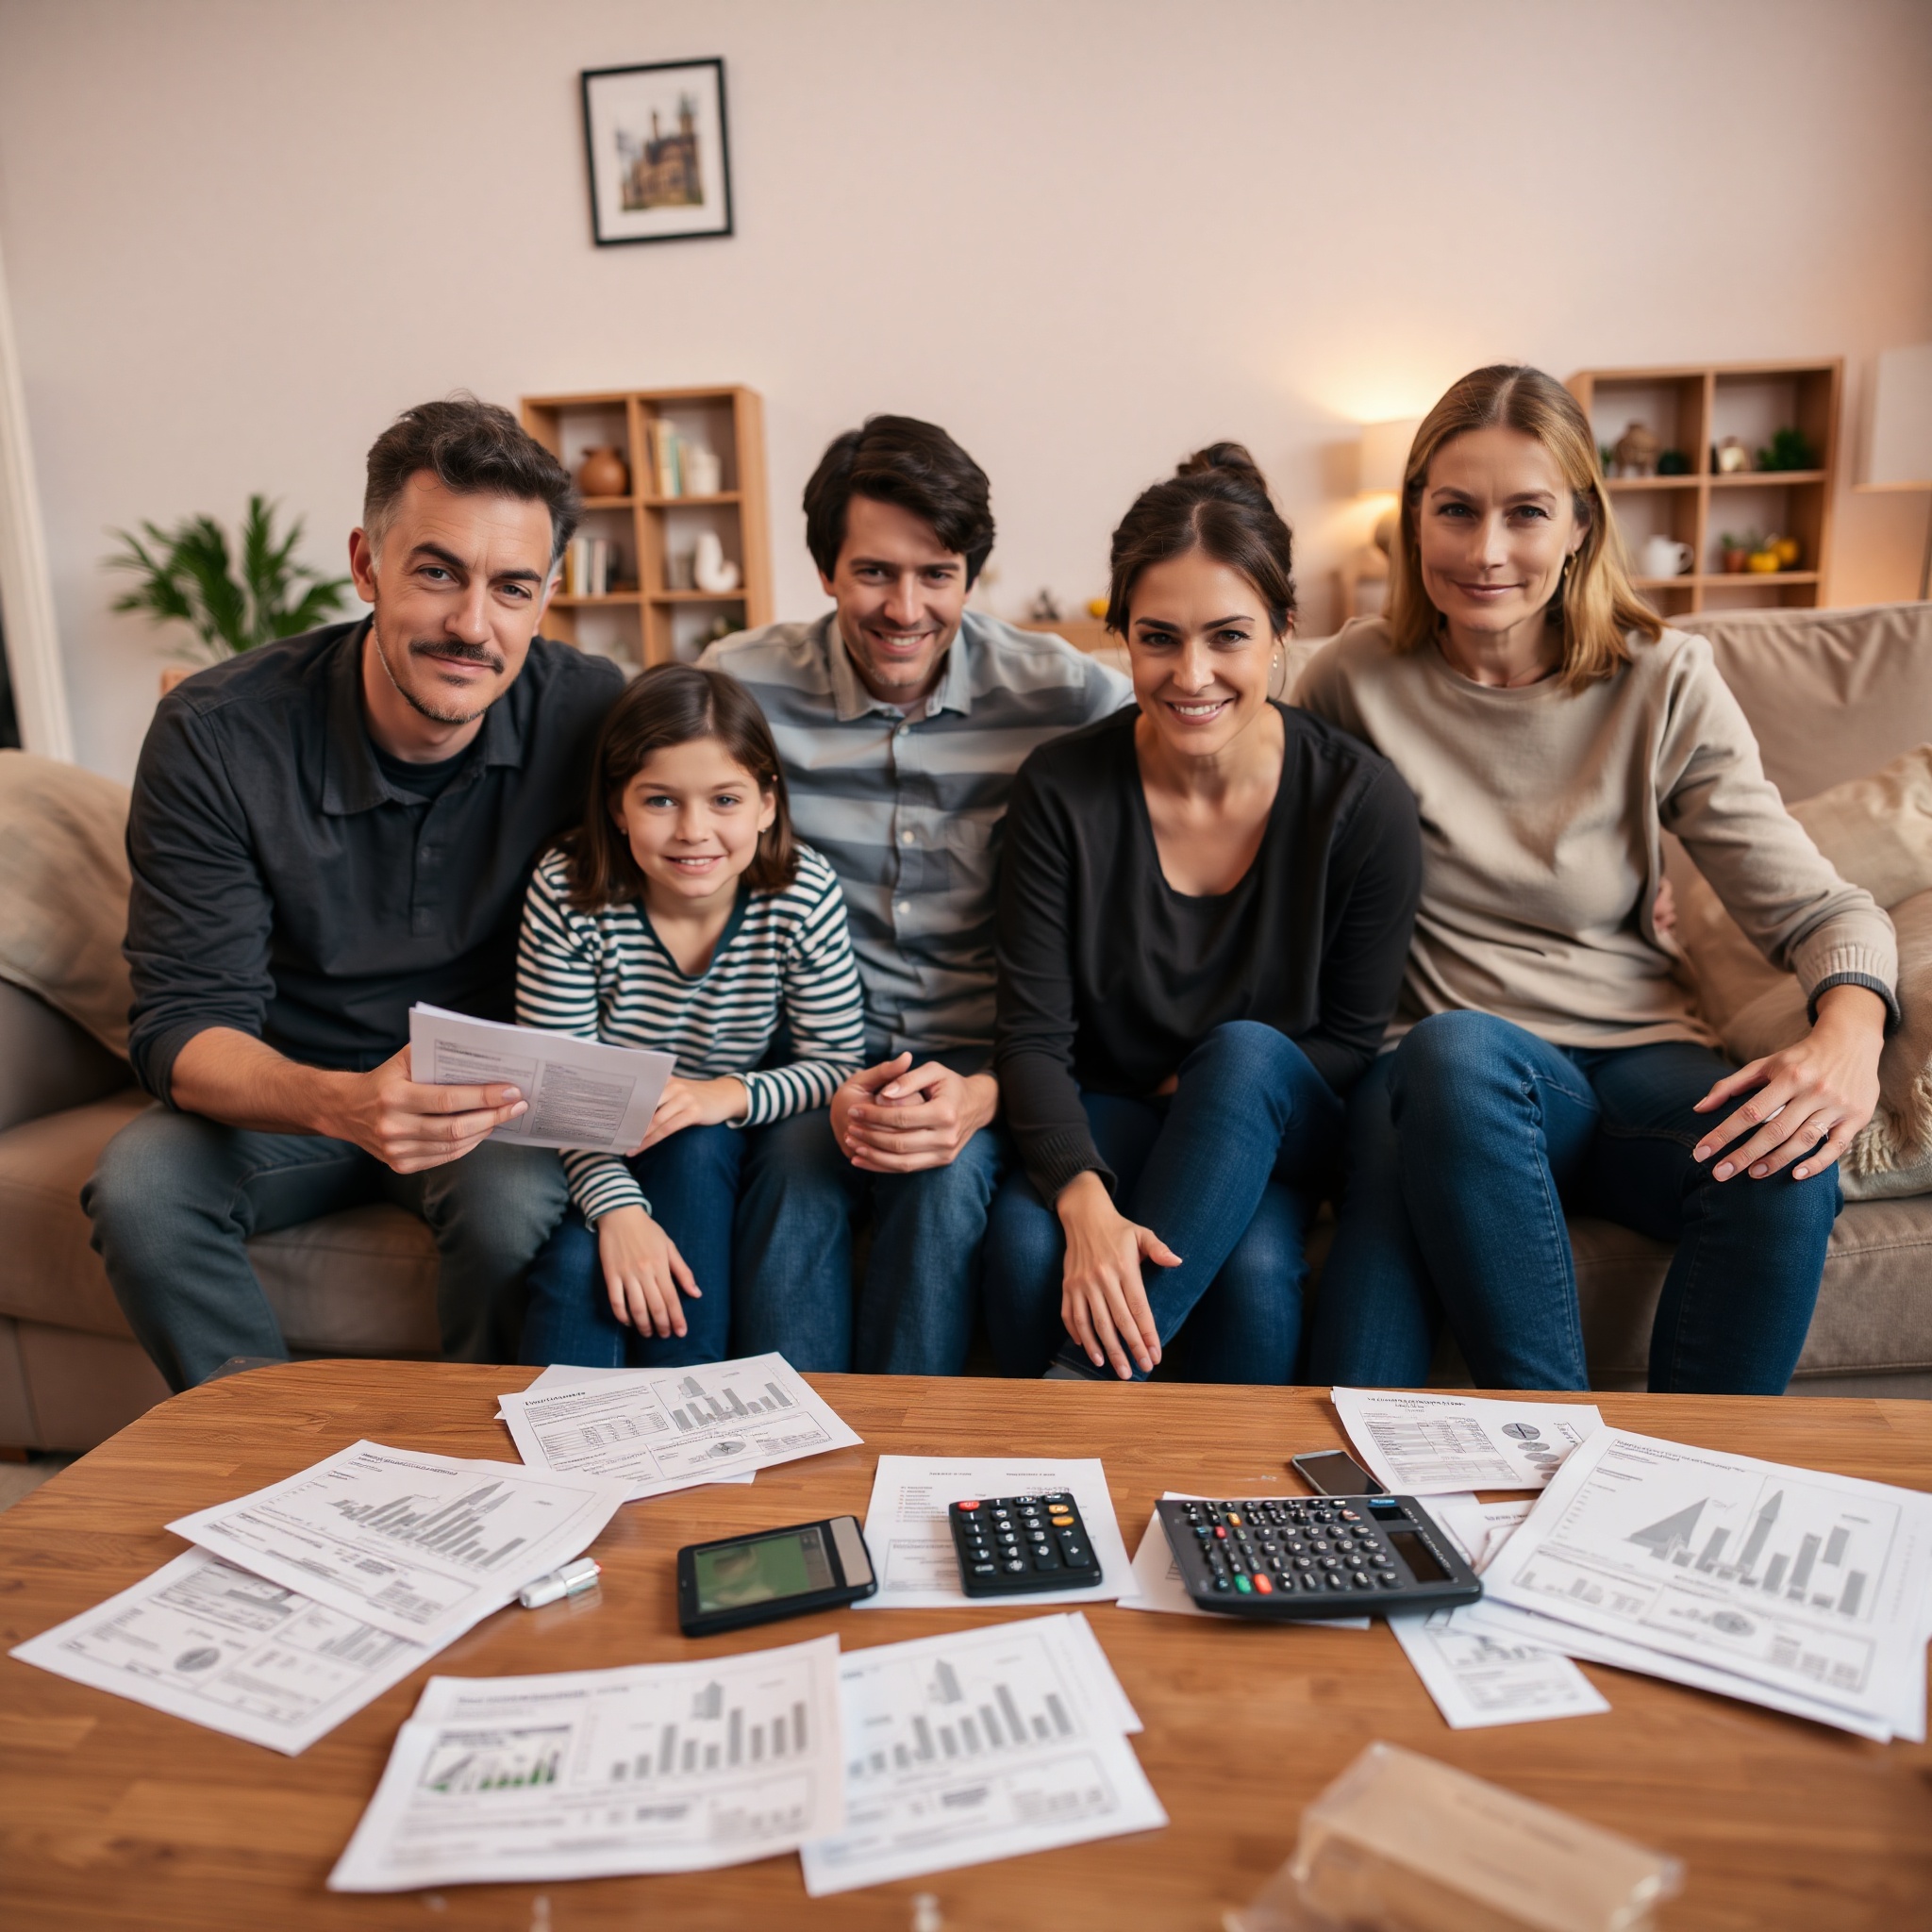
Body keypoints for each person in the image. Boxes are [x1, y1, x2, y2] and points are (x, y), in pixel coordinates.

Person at [1299, 365, 1896, 1396]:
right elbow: (1263, 873)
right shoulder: (1351, 678)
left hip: (1627, 1060)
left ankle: (1699, 1470)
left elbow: (1820, 906)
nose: (1486, 551)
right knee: (1454, 1050)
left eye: (1525, 513)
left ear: (1580, 523)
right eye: (1455, 510)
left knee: (1785, 1163)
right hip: (1439, 1075)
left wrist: (1850, 1033)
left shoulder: (1662, 677)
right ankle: (1560, 1444)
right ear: (1413, 517)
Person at [86, 396, 624, 1390]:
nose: (472, 625)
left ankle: (474, 1455)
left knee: (513, 1207)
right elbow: (181, 1024)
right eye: (437, 572)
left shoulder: (590, 712)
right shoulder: (216, 734)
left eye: (511, 587)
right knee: (142, 1189)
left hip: (482, 1104)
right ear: (366, 565)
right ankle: (262, 1454)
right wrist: (342, 1102)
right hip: (282, 1091)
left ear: (548, 596)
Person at [701, 415, 1130, 1374]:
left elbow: (1193, 768)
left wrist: (990, 1093)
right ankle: (786, 1452)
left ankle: (912, 1449)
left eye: (936, 574)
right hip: (811, 1066)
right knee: (792, 1188)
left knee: (941, 1190)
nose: (905, 608)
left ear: (970, 576)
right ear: (825, 570)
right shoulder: (737, 690)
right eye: (873, 573)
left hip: (982, 1071)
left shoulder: (1066, 697)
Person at [982, 446, 1421, 1382]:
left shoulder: (1359, 802)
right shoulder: (1060, 791)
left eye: (1227, 636)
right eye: (1158, 638)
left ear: (1282, 630)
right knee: (1026, 1252)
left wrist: (1214, 1090)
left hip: (1276, 1120)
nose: (1191, 675)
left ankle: (1075, 1408)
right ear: (1119, 636)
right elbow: (1031, 1037)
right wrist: (1084, 1202)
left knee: (1250, 1204)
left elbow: (1349, 1040)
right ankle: (1061, 1461)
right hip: (1110, 1110)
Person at [515, 663, 866, 1368]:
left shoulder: (800, 890)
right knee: (577, 1267)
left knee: (697, 1144)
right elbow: (561, 1089)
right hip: (597, 1139)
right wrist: (618, 1210)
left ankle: (692, 1393)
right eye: (660, 801)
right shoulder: (568, 889)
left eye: (725, 800)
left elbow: (836, 1065)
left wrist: (720, 1096)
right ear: (617, 807)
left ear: (767, 804)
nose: (694, 831)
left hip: (724, 1131)